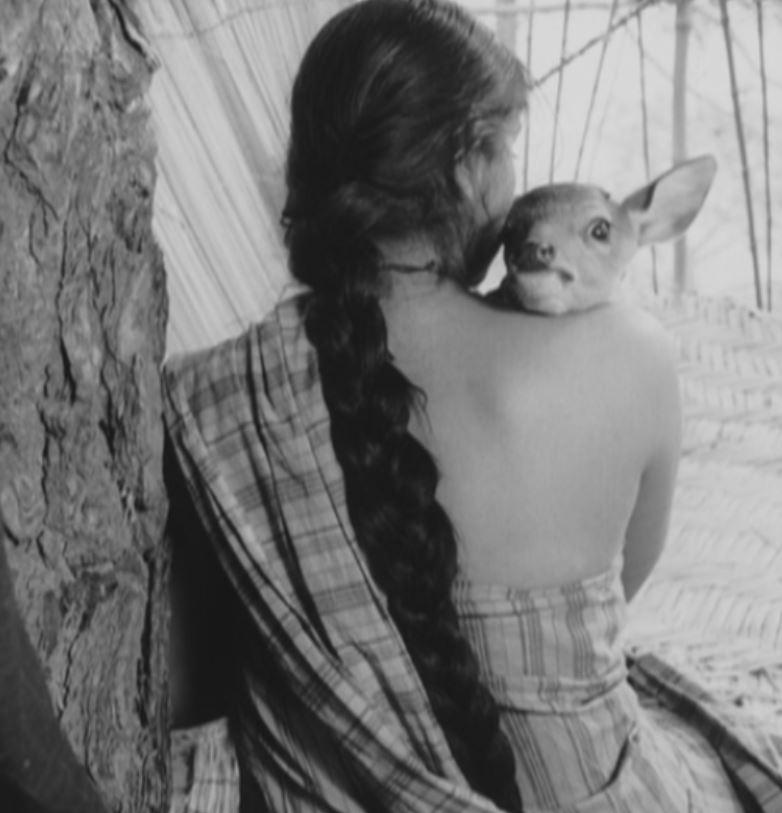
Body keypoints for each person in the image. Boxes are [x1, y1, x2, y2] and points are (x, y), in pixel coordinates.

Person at [163, 0, 782, 810]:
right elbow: (621, 585)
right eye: (508, 149)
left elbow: (200, 673)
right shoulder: (632, 354)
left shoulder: (211, 401)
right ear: (466, 162)